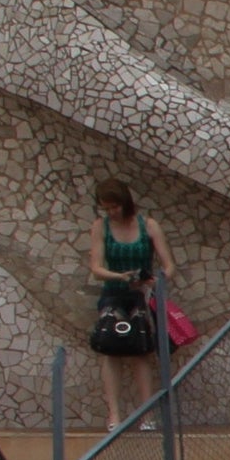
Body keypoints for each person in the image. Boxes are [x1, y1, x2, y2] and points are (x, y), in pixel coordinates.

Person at [84, 178, 177, 421]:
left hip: (141, 294)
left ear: (125, 202)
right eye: (106, 208)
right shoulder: (101, 226)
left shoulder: (148, 225)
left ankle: (147, 413)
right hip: (113, 291)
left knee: (140, 350)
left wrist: (155, 280)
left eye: (115, 206)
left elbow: (168, 266)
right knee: (110, 349)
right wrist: (120, 276)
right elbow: (96, 267)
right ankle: (114, 414)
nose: (112, 212)